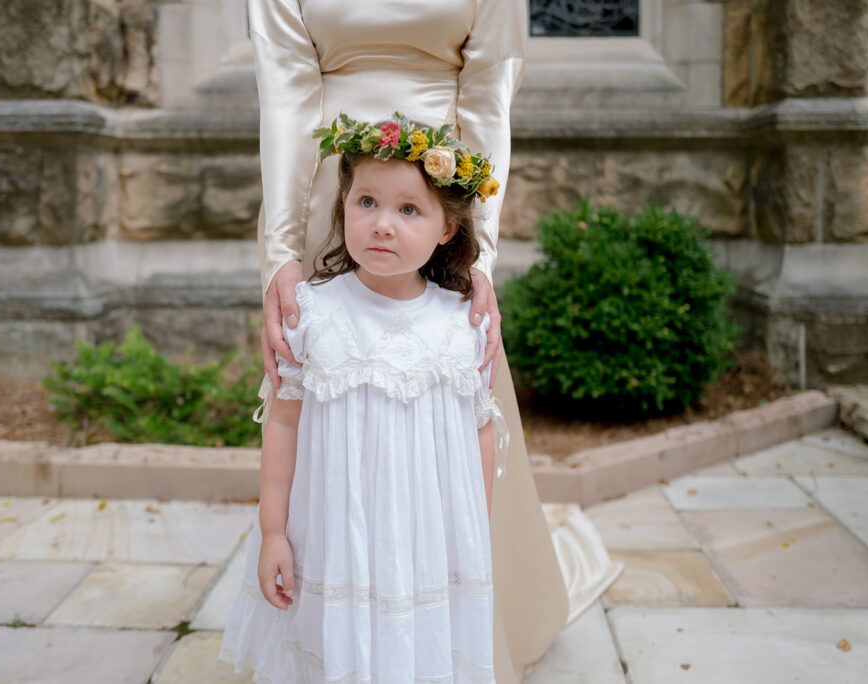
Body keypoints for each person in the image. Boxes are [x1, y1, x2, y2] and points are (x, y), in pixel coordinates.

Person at [244, 1, 621, 680]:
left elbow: (488, 90)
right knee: (318, 398)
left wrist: (481, 254)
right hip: (327, 186)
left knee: (450, 399)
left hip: (439, 185)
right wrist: (282, 249)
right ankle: (329, 611)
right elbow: (283, 85)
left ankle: (450, 609)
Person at [221, 115, 508, 682]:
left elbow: (477, 431)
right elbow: (283, 424)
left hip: (424, 538)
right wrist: (273, 533)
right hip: (336, 532)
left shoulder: (464, 324)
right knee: (336, 643)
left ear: (448, 228)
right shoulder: (311, 312)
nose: (382, 225)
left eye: (409, 210)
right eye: (367, 202)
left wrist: (472, 533)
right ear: (344, 205)